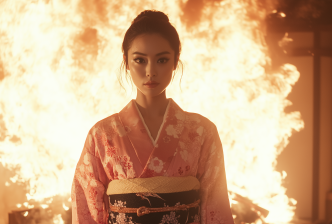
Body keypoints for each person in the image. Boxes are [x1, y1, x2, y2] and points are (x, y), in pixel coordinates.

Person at [71, 10, 234, 224]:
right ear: (126, 62)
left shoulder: (202, 131)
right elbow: (87, 210)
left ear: (175, 61)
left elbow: (216, 207)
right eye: (140, 60)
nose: (150, 71)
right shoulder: (101, 134)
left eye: (162, 60)